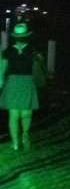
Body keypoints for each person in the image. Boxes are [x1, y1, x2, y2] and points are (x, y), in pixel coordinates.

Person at [0, 22, 45, 150]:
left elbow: (2, 70)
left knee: (13, 115)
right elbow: (41, 64)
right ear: (27, 36)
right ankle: (25, 133)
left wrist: (1, 82)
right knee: (26, 113)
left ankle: (15, 143)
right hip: (27, 82)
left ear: (15, 36)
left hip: (13, 82)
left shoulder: (8, 51)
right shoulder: (33, 50)